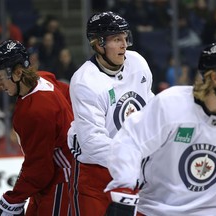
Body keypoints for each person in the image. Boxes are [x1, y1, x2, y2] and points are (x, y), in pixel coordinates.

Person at [104, 41, 216, 216]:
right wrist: (124, 190)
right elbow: (130, 142)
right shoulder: (170, 105)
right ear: (214, 77)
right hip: (155, 210)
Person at [67, 11, 154, 216]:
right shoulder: (85, 81)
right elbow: (93, 142)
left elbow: (151, 108)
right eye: (117, 39)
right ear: (98, 45)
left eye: (125, 38)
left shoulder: (137, 62)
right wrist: (134, 159)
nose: (124, 44)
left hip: (135, 169)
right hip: (96, 173)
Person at [0, 39, 74, 216]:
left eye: (1, 78)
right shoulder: (43, 78)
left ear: (17, 73)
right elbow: (70, 95)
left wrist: (13, 199)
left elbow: (40, 168)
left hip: (61, 182)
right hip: (56, 177)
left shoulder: (36, 110)